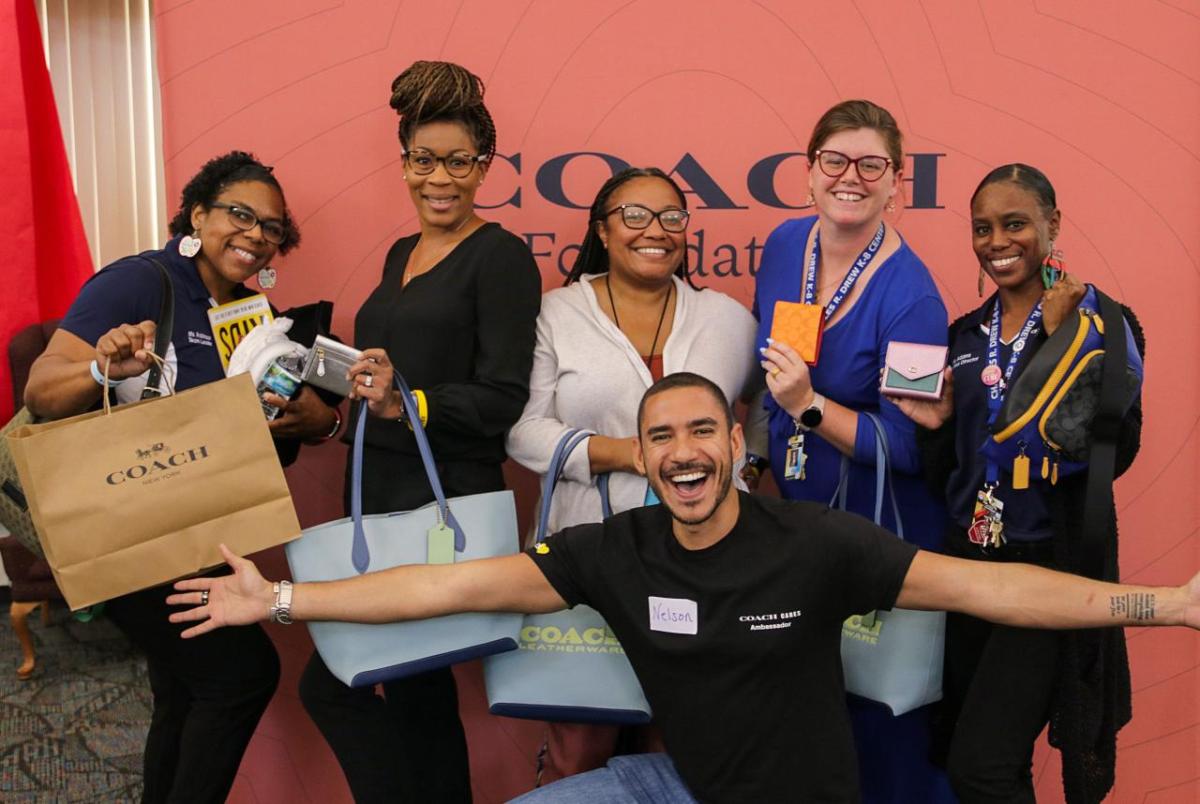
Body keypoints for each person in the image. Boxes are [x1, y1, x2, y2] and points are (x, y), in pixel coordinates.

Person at [170, 372, 1198, 804]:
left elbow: (995, 592)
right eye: (660, 437)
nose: (682, 450)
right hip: (671, 788)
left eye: (702, 430)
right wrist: (284, 603)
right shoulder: (616, 551)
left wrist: (1168, 604)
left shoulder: (817, 545)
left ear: (738, 446)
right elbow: (448, 590)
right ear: (646, 460)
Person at [23, 150, 339, 803]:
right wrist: (102, 368)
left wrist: (304, 422)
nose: (256, 235)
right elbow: (43, 391)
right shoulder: (143, 282)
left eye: (272, 228)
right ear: (197, 214)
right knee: (239, 675)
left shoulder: (256, 319)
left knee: (182, 690)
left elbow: (244, 442)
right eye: (241, 215)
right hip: (122, 533)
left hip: (198, 531)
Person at [293, 60, 541, 803]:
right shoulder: (404, 253)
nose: (441, 177)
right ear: (402, 165)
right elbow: (390, 381)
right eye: (424, 160)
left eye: (458, 161)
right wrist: (336, 415)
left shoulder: (501, 258)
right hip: (379, 492)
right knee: (414, 694)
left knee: (356, 687)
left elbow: (503, 397)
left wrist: (412, 404)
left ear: (485, 166)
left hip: (442, 504)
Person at [888, 164, 1145, 803]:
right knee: (983, 762)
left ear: (1052, 225)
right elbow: (949, 471)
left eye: (1015, 224)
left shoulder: (1102, 323)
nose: (998, 241)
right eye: (983, 228)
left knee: (984, 766)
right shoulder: (964, 334)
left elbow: (1119, 451)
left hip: (1048, 571)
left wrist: (1061, 341)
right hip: (969, 568)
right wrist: (937, 426)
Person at [505, 166, 759, 779]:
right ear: (602, 229)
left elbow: (766, 411)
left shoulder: (728, 319)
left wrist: (744, 466)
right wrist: (623, 453)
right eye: (635, 215)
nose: (656, 230)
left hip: (709, 561)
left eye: (672, 217)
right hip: (592, 555)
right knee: (581, 743)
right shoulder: (556, 313)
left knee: (681, 744)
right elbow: (522, 429)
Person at [753, 99, 952, 801]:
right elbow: (767, 374)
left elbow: (906, 445)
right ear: (808, 174)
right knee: (813, 723)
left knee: (881, 727)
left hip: (882, 536)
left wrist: (810, 406)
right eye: (835, 161)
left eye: (872, 165)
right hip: (799, 522)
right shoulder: (783, 246)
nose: (851, 177)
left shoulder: (914, 299)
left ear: (897, 182)